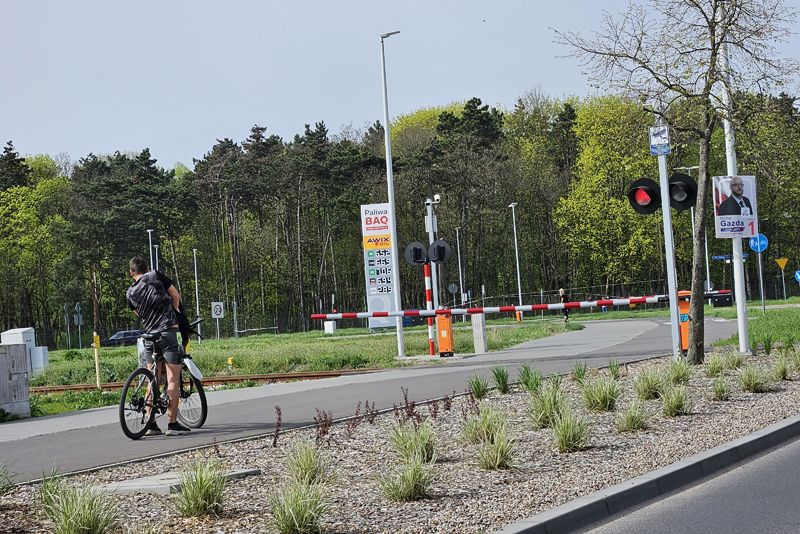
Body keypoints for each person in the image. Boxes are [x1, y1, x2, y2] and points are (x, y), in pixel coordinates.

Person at [126, 256, 191, 436]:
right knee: (173, 379)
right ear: (146, 268)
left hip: (148, 335)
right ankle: (172, 424)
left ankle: (150, 423)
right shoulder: (155, 275)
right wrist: (176, 314)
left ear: (132, 273)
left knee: (151, 377)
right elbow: (175, 296)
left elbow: (138, 313)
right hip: (168, 332)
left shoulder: (130, 292)